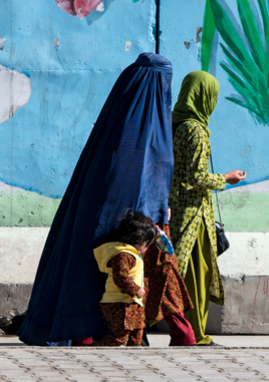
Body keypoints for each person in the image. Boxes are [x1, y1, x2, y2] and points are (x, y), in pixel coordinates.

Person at [17, 53, 195, 346]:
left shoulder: (121, 121)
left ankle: (165, 333)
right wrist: (156, 212)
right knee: (112, 271)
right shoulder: (137, 130)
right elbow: (132, 175)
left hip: (126, 219)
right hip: (128, 221)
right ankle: (91, 332)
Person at [169, 71, 247, 346]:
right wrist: (226, 178)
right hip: (194, 213)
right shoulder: (196, 131)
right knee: (197, 276)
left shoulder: (172, 122)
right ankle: (194, 334)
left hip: (173, 208)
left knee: (173, 270)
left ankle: (172, 331)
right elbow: (197, 176)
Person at [93, 210, 159, 346]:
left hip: (132, 304)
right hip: (119, 304)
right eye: (146, 243)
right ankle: (95, 351)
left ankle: (132, 360)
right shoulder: (123, 255)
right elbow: (121, 277)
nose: (147, 247)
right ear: (138, 240)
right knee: (119, 337)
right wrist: (135, 290)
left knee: (137, 334)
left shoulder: (133, 254)